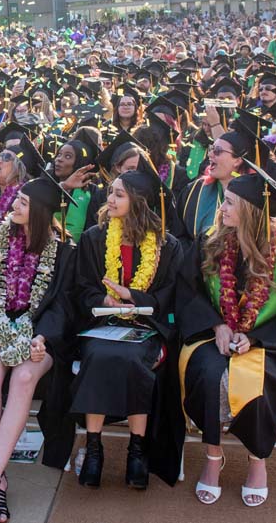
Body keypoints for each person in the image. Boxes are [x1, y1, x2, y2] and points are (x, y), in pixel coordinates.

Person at [177, 172, 276, 507]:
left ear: (250, 210)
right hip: (210, 336)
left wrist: (254, 338)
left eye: (230, 203)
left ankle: (257, 459)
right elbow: (188, 292)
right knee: (210, 374)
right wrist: (217, 326)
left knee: (260, 383)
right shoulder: (209, 241)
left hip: (265, 343)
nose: (222, 208)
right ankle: (212, 455)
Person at [0, 175, 74, 522]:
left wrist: (41, 338)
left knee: (25, 377)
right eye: (18, 199)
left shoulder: (63, 252)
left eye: (23, 202)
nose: (14, 205)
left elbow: (63, 306)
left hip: (39, 332)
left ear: (40, 212)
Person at [70, 158, 184, 490]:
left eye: (119, 195)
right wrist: (104, 300)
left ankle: (137, 450)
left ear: (138, 200)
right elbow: (82, 288)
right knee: (99, 355)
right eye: (111, 193)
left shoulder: (165, 244)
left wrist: (134, 296)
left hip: (147, 328)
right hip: (103, 325)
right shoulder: (95, 238)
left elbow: (171, 294)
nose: (111, 200)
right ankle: (94, 448)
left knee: (135, 359)